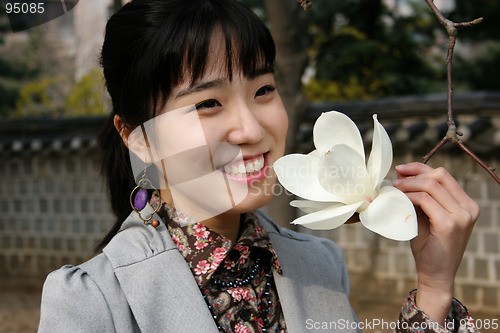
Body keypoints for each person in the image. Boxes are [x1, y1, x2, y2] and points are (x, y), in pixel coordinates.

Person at [37, 0, 481, 332]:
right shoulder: (92, 300)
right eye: (208, 103)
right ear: (138, 138)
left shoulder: (320, 265)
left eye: (263, 90)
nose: (251, 129)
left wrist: (436, 287)